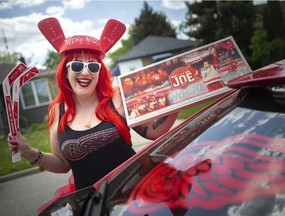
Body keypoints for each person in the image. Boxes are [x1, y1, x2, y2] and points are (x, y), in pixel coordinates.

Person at [7, 17, 178, 190]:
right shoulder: (56, 112)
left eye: (93, 67)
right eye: (77, 66)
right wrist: (29, 153)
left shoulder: (117, 98)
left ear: (99, 72)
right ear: (66, 72)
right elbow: (62, 164)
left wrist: (177, 99)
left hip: (135, 193)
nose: (85, 72)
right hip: (91, 204)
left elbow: (152, 131)